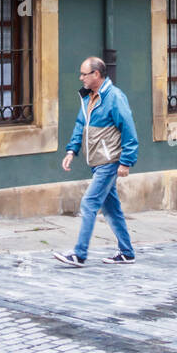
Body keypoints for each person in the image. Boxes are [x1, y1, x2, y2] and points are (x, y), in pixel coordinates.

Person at [53, 56, 138, 266]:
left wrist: (126, 161)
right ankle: (127, 252)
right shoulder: (88, 98)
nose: (81, 78)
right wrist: (71, 151)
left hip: (109, 161)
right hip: (97, 161)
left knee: (89, 203)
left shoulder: (115, 97)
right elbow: (80, 124)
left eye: (84, 74)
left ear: (96, 74)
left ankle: (79, 254)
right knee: (111, 208)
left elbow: (129, 130)